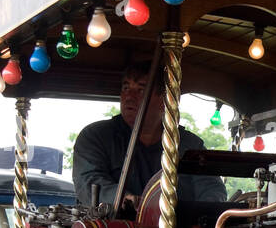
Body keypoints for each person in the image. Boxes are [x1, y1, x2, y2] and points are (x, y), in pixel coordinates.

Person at [73, 63, 228, 210]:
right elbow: (87, 181)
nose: (129, 97)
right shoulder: (96, 136)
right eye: (126, 88)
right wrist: (122, 199)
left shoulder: (189, 145)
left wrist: (197, 216)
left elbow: (212, 190)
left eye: (141, 90)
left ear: (165, 100)